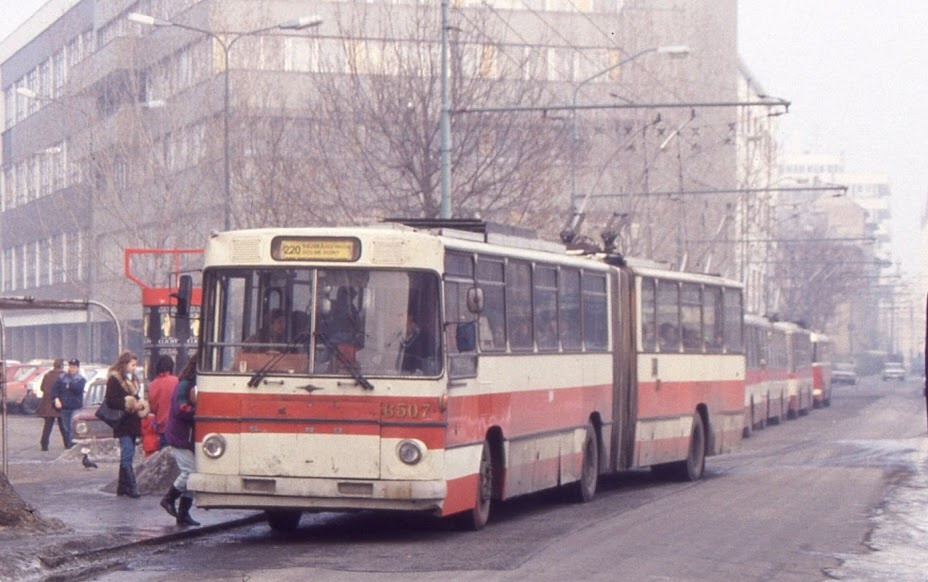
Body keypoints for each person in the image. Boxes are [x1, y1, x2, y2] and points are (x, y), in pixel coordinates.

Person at [159, 357, 200, 527]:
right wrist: (198, 411)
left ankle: (184, 514)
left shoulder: (189, 383)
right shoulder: (185, 384)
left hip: (186, 435)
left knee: (193, 473)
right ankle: (169, 499)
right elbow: (181, 408)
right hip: (180, 434)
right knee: (190, 471)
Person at [104, 351, 146, 498]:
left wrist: (140, 404)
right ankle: (132, 487)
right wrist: (128, 403)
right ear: (125, 364)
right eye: (132, 365)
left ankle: (122, 487)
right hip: (122, 421)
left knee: (129, 453)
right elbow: (110, 401)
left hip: (132, 422)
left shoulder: (133, 378)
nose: (135, 368)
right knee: (127, 453)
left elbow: (136, 397)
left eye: (136, 365)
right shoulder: (114, 379)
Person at [52, 358, 86, 449]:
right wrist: (56, 399)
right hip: (65, 407)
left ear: (78, 368)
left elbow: (79, 389)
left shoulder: (80, 379)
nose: (71, 368)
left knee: (72, 428)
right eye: (70, 366)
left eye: (74, 367)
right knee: (66, 429)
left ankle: (71, 447)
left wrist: (70, 386)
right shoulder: (62, 377)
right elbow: (55, 390)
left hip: (76, 407)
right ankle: (68, 446)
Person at [147, 355, 178, 449]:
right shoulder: (177, 381)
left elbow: (152, 407)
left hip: (162, 427)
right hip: (176, 425)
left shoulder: (153, 384)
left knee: (164, 457)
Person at [37, 359, 67, 452]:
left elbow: (42, 388)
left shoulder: (47, 375)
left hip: (47, 404)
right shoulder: (64, 376)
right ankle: (67, 444)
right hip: (59, 403)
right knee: (63, 425)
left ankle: (44, 444)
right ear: (61, 366)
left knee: (48, 425)